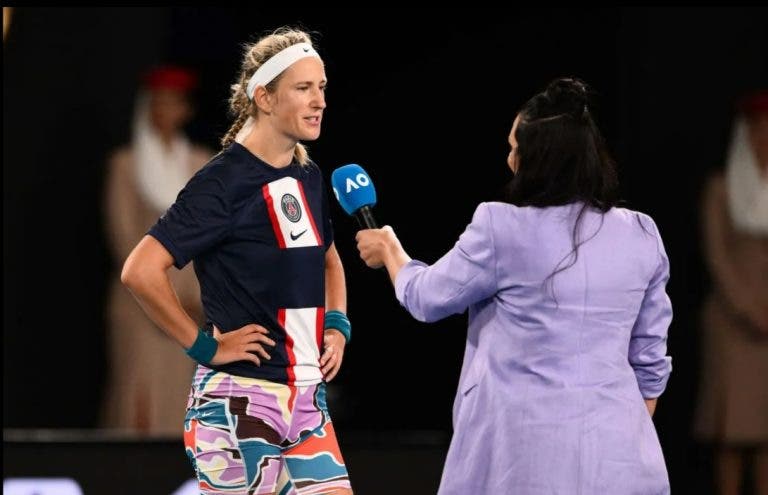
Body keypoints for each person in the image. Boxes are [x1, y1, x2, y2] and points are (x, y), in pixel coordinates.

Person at [356, 78, 673, 494]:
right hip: (620, 462)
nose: (509, 159)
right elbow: (649, 367)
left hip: (520, 461)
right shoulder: (641, 235)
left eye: (514, 149)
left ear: (539, 160)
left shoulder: (500, 228)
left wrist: (391, 252)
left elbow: (426, 297)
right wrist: (609, 434)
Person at [120, 28, 353, 494]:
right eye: (303, 88)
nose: (319, 101)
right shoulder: (222, 183)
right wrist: (205, 347)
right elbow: (140, 271)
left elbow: (330, 262)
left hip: (306, 401)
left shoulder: (306, 174)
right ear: (264, 98)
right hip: (237, 403)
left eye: (321, 87)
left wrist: (337, 326)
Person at [102, 65, 211, 436]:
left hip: (193, 304)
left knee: (185, 392)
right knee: (141, 389)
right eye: (158, 102)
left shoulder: (201, 164)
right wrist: (159, 297)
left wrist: (199, 300)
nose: (166, 110)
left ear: (186, 109)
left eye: (174, 103)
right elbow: (124, 237)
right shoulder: (127, 164)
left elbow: (211, 235)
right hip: (141, 299)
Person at [693, 90, 768, 495]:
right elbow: (717, 258)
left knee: (765, 433)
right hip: (733, 323)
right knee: (733, 433)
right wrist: (750, 310)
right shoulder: (721, 189)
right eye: (760, 131)